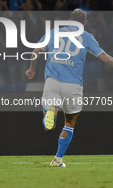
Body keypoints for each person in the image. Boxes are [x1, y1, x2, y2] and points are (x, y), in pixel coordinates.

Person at [25, 9, 113, 167]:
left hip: (52, 81)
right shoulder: (87, 36)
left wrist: (32, 68)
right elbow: (106, 59)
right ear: (84, 23)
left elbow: (36, 51)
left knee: (49, 118)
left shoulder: (54, 33)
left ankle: (50, 111)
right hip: (73, 85)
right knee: (69, 123)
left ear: (69, 20)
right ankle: (58, 159)